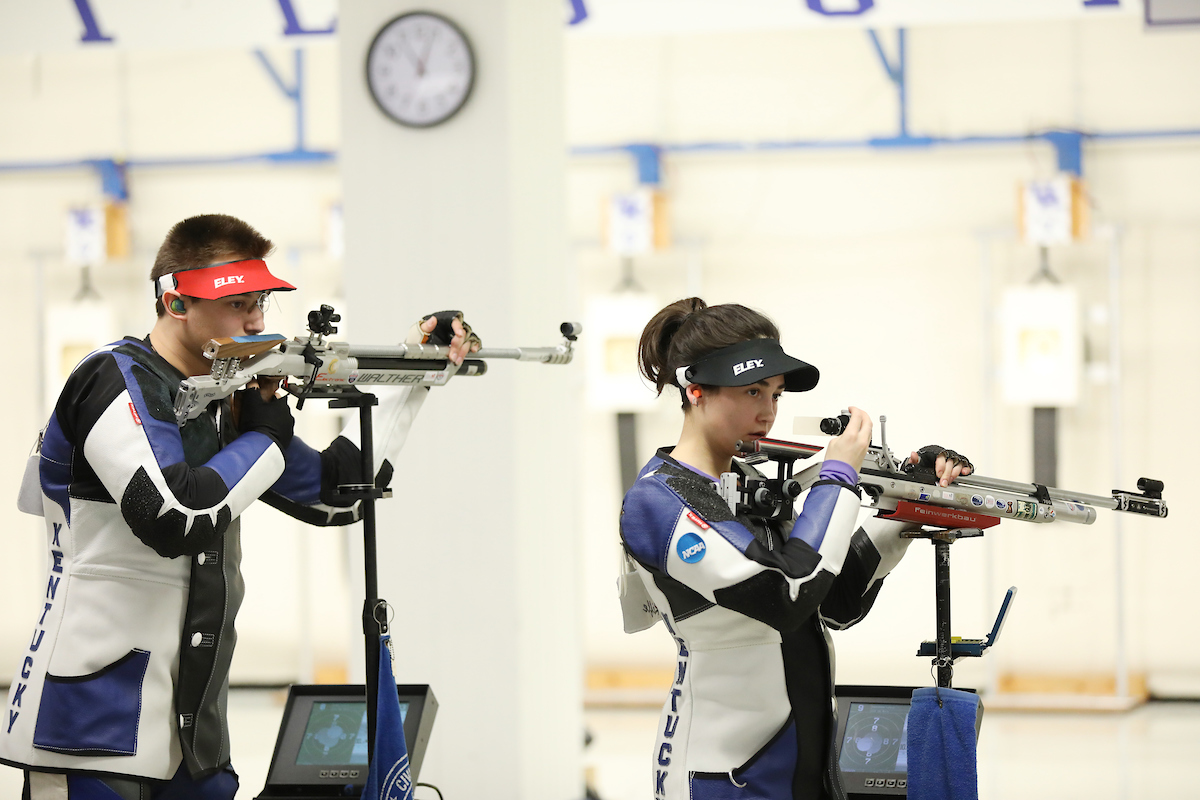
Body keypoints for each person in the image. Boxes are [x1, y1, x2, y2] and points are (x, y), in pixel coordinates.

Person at [0, 214, 477, 799]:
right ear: (175, 304)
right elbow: (176, 515)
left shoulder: (220, 399)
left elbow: (337, 493)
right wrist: (268, 434)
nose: (255, 321)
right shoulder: (114, 378)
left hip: (192, 731)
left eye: (260, 303)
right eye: (238, 305)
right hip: (90, 721)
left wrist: (413, 372)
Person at [619, 298, 971, 800]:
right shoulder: (658, 500)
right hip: (723, 778)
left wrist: (908, 507)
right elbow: (784, 594)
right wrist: (839, 477)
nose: (767, 411)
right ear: (695, 390)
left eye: (776, 394)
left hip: (801, 771)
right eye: (751, 391)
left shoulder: (745, 484)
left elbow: (832, 602)